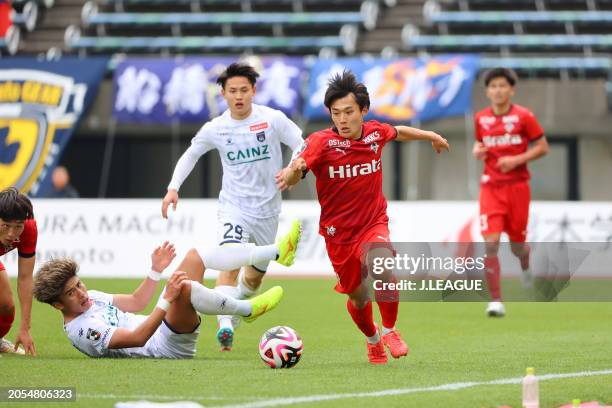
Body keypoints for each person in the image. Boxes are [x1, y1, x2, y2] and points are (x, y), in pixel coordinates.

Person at [275, 71, 449, 364]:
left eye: (348, 112)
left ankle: (391, 331)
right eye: (335, 113)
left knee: (382, 262)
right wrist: (292, 172)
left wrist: (430, 135)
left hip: (373, 223)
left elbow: (399, 132)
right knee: (358, 298)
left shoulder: (374, 133)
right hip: (338, 235)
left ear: (363, 110)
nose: (342, 120)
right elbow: (298, 169)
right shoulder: (321, 143)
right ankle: (373, 339)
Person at [161, 62, 303, 351]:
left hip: (267, 209)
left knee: (253, 279)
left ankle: (236, 311)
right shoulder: (216, 128)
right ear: (223, 94)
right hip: (233, 205)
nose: (238, 96)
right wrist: (173, 188)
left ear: (253, 90)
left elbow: (302, 143)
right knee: (229, 258)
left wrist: (292, 168)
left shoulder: (272, 119)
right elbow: (191, 155)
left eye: (244, 90)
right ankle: (225, 326)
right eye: (232, 91)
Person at [32, 221, 301, 359]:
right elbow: (138, 338)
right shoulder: (82, 330)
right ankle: (247, 309)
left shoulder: (91, 299)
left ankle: (278, 252)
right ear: (58, 305)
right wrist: (167, 299)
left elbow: (137, 302)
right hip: (165, 347)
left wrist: (155, 270)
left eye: (79, 284)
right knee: (182, 286)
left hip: (163, 329)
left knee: (195, 257)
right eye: (71, 293)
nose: (81, 292)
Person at [472, 67, 548, 317]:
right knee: (491, 243)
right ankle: (496, 301)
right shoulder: (481, 118)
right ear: (487, 91)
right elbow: (480, 144)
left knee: (517, 246)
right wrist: (477, 151)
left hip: (517, 188)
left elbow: (542, 146)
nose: (498, 90)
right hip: (491, 187)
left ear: (511, 89)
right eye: (493, 86)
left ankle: (525, 264)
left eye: (502, 86)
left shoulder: (524, 116)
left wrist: (517, 160)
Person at [0, 187, 37, 356]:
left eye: (18, 226)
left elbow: (25, 278)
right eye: (5, 225)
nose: (11, 234)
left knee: (6, 305)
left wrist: (25, 328)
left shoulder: (28, 229)